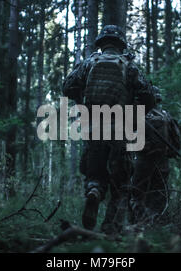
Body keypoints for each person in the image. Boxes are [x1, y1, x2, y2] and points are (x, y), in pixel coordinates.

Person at [62, 25, 155, 234]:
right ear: (121, 44)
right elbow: (148, 97)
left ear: (101, 43)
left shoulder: (88, 62)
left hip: (93, 126)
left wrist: (81, 101)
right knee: (120, 183)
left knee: (95, 174)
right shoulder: (129, 65)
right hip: (120, 129)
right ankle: (110, 231)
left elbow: (67, 87)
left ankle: (94, 192)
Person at [129, 90, 181, 225]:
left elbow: (128, 141)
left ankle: (138, 225)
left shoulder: (138, 116)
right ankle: (158, 223)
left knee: (137, 193)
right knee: (159, 194)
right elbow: (176, 141)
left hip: (142, 161)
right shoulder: (166, 116)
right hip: (162, 161)